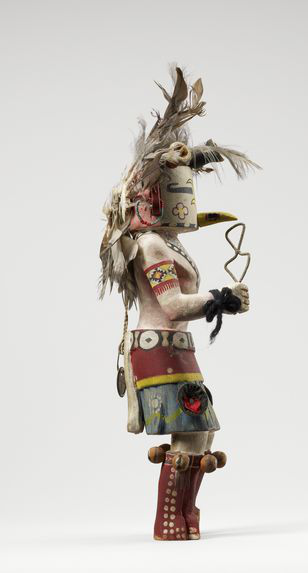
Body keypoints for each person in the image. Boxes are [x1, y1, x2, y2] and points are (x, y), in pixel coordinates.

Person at [100, 67, 258, 540]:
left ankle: (188, 516)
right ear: (152, 199)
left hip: (174, 346)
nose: (186, 200)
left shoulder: (168, 242)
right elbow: (170, 304)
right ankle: (169, 519)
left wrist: (222, 300)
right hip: (158, 344)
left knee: (202, 432)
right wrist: (220, 299)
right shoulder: (150, 245)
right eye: (177, 191)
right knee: (190, 433)